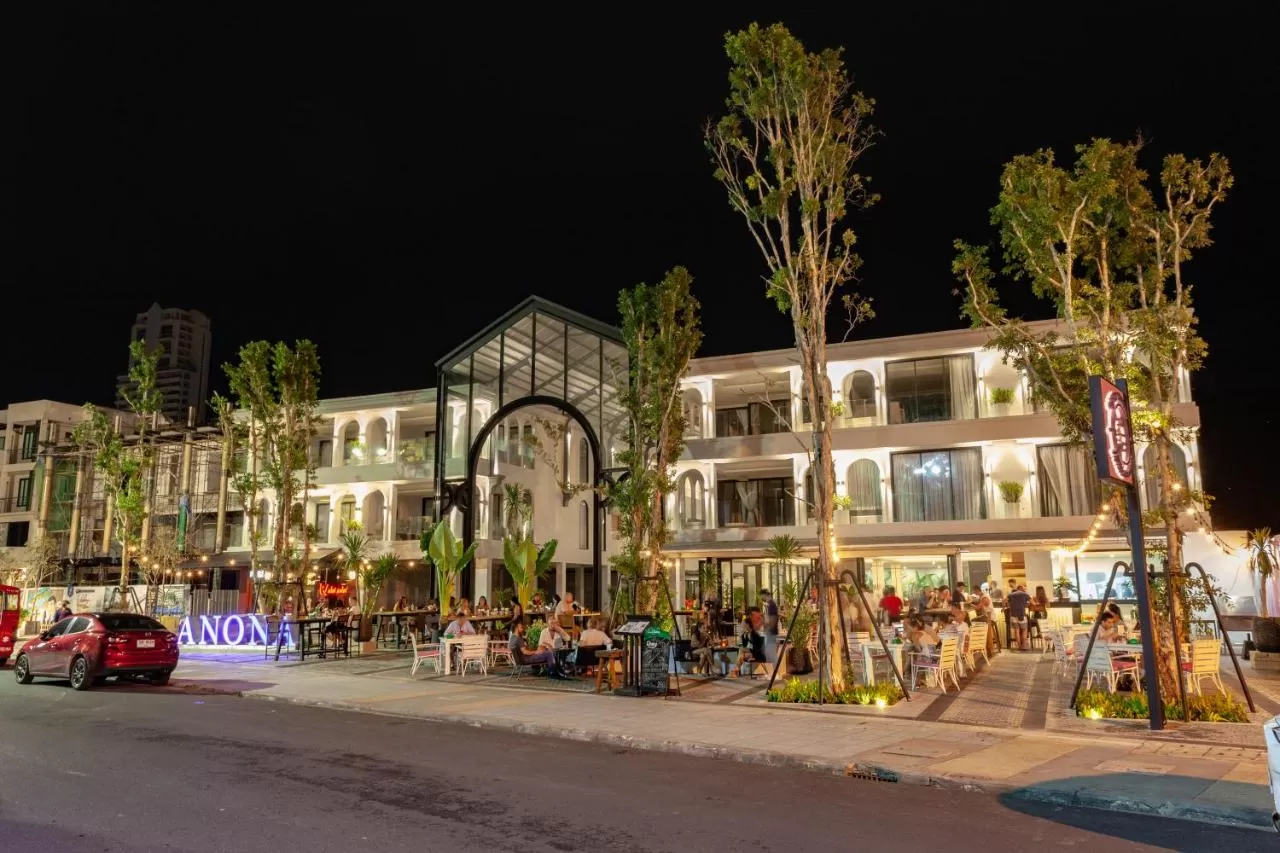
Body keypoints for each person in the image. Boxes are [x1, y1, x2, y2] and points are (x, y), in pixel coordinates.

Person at [1007, 584, 1032, 650]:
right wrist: (1027, 604)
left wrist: (1004, 608)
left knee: (1016, 631)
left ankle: (1019, 646)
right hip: (1022, 615)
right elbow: (1032, 602)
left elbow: (1005, 601)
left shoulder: (1011, 594)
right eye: (1024, 588)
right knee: (1024, 630)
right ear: (1020, 588)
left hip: (1013, 616)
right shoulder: (1025, 594)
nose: (1025, 589)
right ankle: (1024, 646)